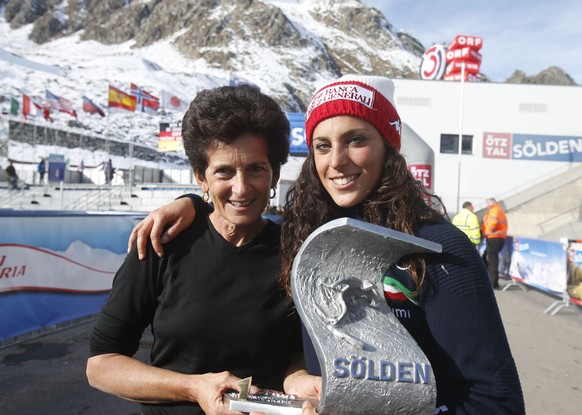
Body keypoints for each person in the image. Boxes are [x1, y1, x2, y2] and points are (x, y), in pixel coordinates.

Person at [129, 75, 525, 414]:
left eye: (355, 140)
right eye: (322, 145)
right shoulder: (307, 236)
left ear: (388, 145)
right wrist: (193, 205)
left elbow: (496, 400)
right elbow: (233, 207)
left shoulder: (437, 247)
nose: (336, 160)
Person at [86, 85, 305, 415]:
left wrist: (298, 378)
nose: (241, 188)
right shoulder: (162, 243)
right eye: (224, 171)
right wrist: (193, 387)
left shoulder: (296, 254)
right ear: (201, 178)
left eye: (256, 169)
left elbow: (301, 351)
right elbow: (101, 366)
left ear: (273, 174)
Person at [481, 197, 508, 289]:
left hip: (494, 237)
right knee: (488, 259)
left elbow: (492, 223)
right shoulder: (494, 210)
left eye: (487, 202)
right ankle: (491, 281)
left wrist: (487, 232)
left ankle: (493, 283)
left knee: (492, 261)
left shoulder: (495, 210)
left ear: (492, 202)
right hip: (494, 237)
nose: (487, 204)